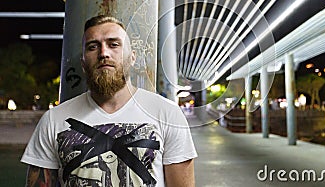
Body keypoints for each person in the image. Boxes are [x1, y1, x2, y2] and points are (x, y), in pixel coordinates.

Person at [21, 15, 197, 186]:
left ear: (132, 57)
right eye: (92, 47)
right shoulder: (53, 120)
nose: (103, 53)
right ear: (83, 63)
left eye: (114, 45)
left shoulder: (167, 114)